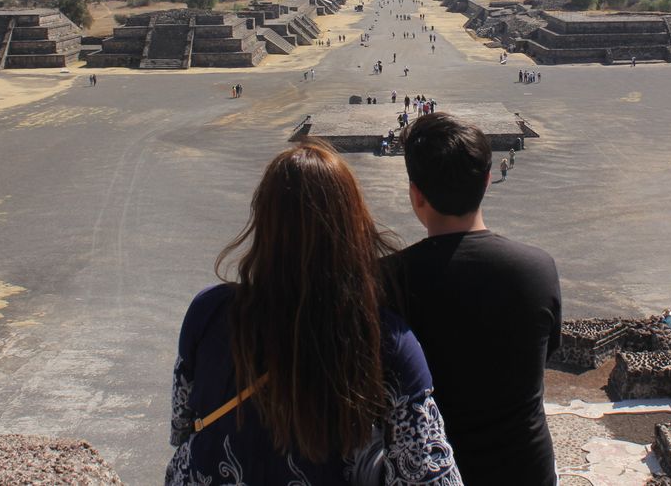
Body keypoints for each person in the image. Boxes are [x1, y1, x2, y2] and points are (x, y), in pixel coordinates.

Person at [167, 142, 462, 485]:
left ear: (263, 221)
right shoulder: (382, 338)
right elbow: (429, 473)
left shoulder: (208, 311)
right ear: (353, 224)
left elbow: (181, 424)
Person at [389, 113, 561, 486]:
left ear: (416, 194)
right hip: (525, 469)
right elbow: (544, 354)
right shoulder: (537, 269)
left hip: (431, 473)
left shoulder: (386, 280)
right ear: (487, 180)